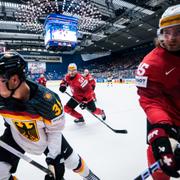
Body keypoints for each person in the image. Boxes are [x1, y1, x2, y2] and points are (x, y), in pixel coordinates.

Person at [0, 51, 100, 180]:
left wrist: (54, 158)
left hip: (46, 137)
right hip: (15, 134)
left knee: (72, 161)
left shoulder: (46, 101)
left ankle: (88, 175)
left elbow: (54, 131)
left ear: (14, 80)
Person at [135, 4, 180, 180]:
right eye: (166, 32)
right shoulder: (151, 64)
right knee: (158, 155)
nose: (171, 38)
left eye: (177, 31)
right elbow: (150, 99)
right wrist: (160, 130)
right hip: (167, 119)